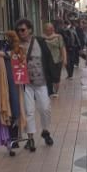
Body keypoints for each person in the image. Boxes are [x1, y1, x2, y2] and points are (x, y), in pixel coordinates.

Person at [12, 18, 61, 152]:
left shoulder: (40, 42)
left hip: (42, 81)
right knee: (29, 111)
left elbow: (49, 59)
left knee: (45, 108)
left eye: (22, 30)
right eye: (18, 30)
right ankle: (30, 138)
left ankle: (45, 130)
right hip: (25, 83)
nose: (20, 32)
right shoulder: (16, 45)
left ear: (30, 30)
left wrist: (55, 78)